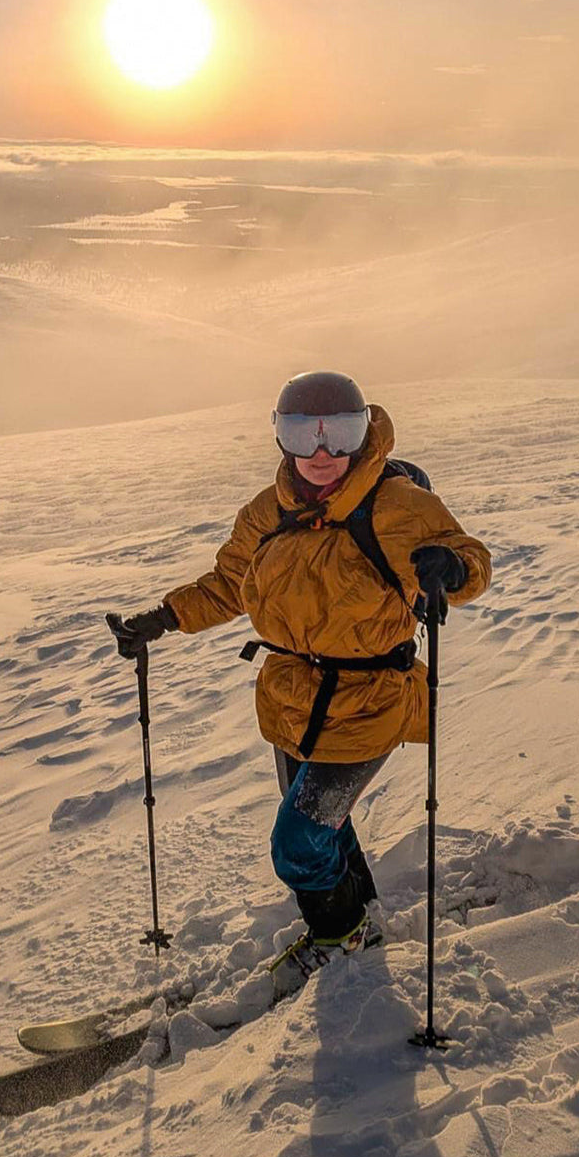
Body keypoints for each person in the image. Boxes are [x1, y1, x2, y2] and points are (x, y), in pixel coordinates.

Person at [111, 371, 491, 979]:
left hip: (369, 702)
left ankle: (338, 936)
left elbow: (467, 557)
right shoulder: (268, 512)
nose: (321, 453)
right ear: (280, 437)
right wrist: (161, 619)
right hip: (292, 699)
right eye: (302, 433)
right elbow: (230, 584)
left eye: (339, 434)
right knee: (321, 826)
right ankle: (359, 914)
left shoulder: (397, 505)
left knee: (297, 841)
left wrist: (452, 569)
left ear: (364, 431)